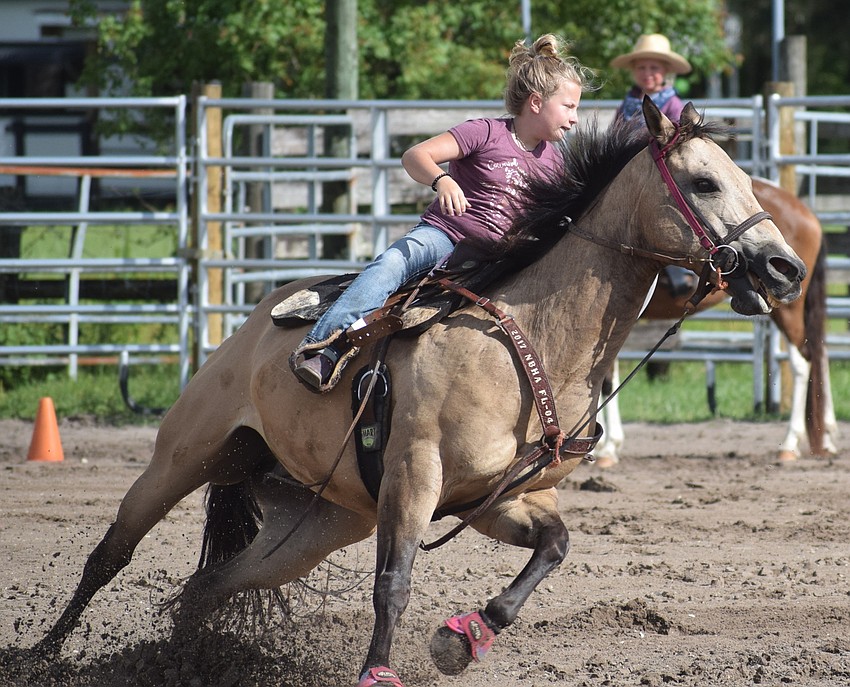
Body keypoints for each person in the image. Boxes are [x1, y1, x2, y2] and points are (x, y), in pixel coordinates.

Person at [291, 33, 596, 393]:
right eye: (569, 106)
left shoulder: (555, 164)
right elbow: (415, 155)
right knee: (392, 264)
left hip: (498, 257)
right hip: (445, 237)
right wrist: (442, 180)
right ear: (535, 102)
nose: (575, 119)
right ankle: (323, 348)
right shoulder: (484, 132)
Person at [610, 33, 691, 123]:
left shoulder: (673, 104)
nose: (647, 73)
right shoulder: (628, 102)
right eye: (641, 68)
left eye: (654, 68)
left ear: (666, 70)